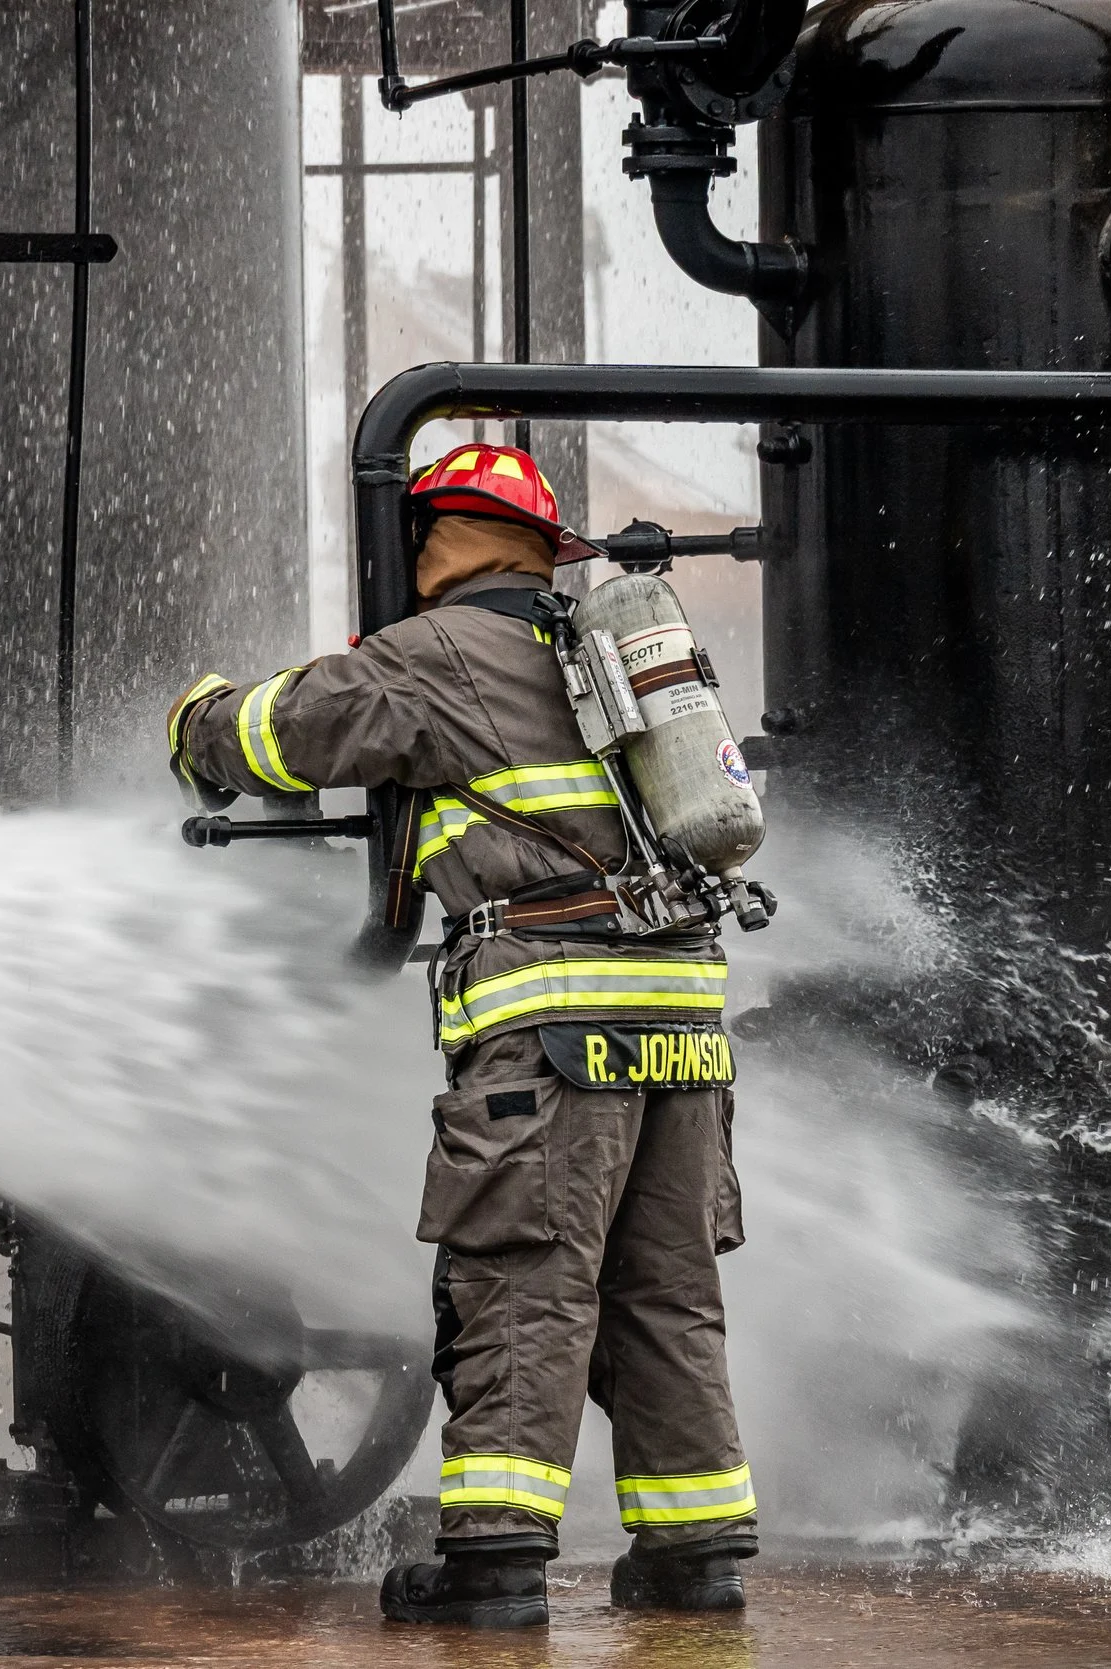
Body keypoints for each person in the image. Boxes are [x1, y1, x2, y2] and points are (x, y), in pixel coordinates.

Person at [167, 443, 753, 1628]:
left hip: (551, 1032)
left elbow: (284, 736)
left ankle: (492, 1567)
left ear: (433, 537)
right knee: (663, 1290)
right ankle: (695, 1556)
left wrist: (197, 719)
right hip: (686, 1021)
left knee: (522, 1285)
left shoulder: (436, 655)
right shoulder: (599, 647)